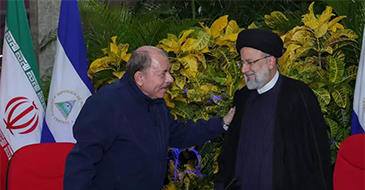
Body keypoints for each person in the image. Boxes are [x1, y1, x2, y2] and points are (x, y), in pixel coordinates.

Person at [63, 46, 235, 190]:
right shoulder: (105, 105)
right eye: (163, 73)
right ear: (139, 77)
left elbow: (179, 134)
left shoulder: (156, 101)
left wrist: (222, 123)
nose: (171, 79)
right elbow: (81, 163)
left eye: (169, 72)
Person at [214, 29, 333, 190]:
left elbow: (318, 155)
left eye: (250, 62)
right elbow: (229, 151)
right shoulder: (242, 97)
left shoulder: (299, 95)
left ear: (270, 62)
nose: (244, 69)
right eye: (242, 63)